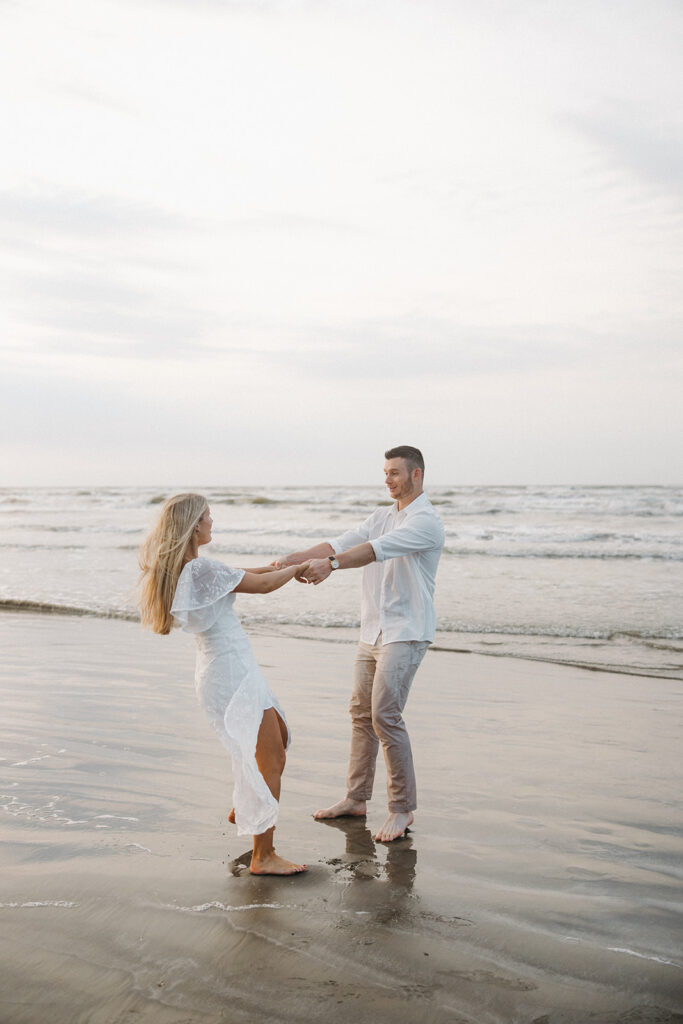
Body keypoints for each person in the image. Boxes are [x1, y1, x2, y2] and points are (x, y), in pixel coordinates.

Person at [276, 446, 444, 843]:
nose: (388, 479)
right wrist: (293, 558)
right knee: (359, 713)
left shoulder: (427, 522)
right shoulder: (381, 515)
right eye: (385, 472)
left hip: (406, 631)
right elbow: (339, 543)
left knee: (385, 715)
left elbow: (371, 552)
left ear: (416, 475)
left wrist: (331, 567)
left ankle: (402, 809)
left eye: (396, 473)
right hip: (373, 631)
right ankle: (355, 799)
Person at [138, 493, 309, 875]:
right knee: (272, 757)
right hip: (231, 672)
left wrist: (281, 564)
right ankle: (263, 856)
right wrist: (299, 571)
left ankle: (245, 804)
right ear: (194, 526)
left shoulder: (191, 570)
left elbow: (243, 575)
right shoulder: (200, 571)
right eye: (208, 517)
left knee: (277, 735)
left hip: (227, 669)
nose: (212, 522)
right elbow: (261, 586)